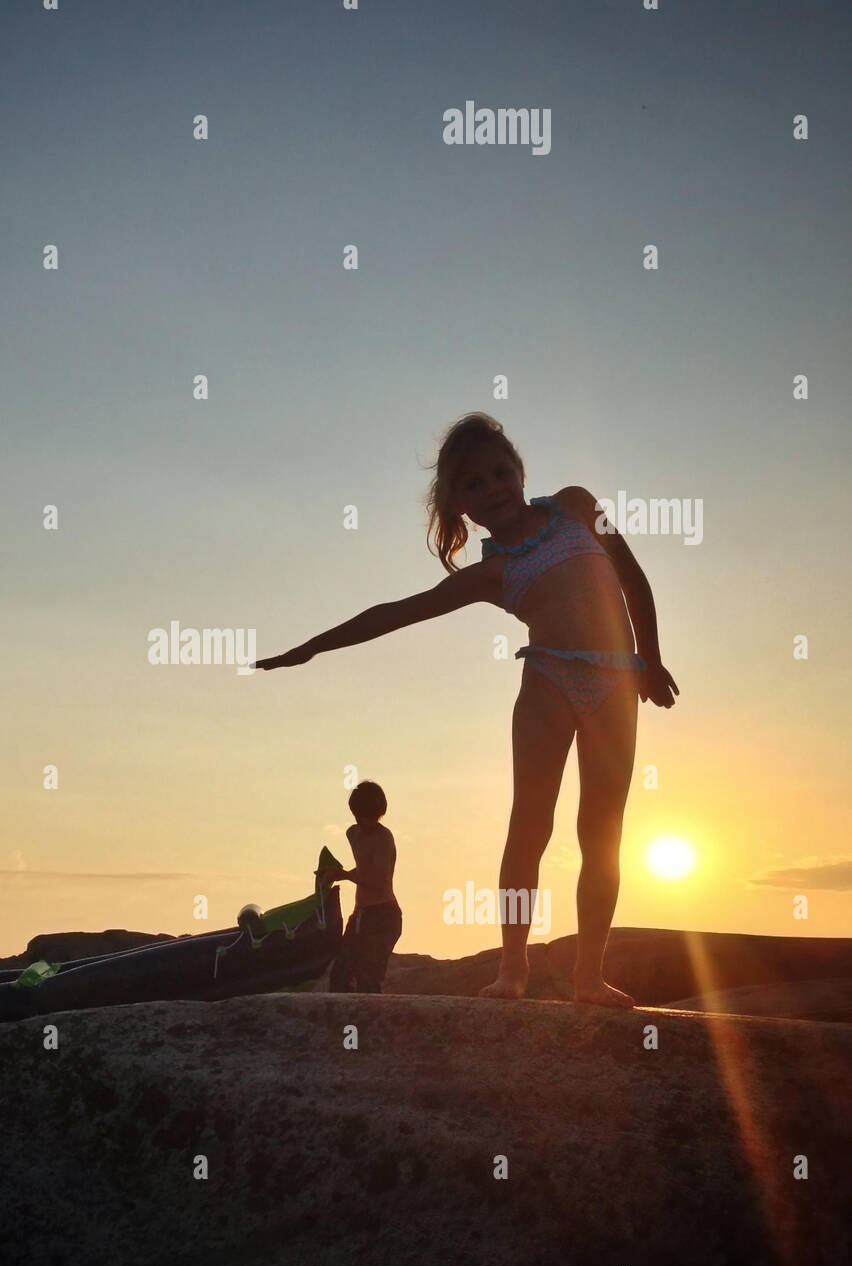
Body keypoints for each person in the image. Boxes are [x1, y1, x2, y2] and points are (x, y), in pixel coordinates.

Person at [255, 412, 678, 1008]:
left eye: (501, 472)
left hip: (616, 683)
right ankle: (513, 970)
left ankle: (590, 978)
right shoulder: (488, 574)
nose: (495, 488)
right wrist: (311, 648)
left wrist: (650, 660)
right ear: (459, 505)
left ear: (520, 470)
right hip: (548, 682)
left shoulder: (579, 505)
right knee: (528, 830)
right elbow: (396, 612)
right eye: (474, 484)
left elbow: (631, 575)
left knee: (601, 835)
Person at [326, 781, 402, 993]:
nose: (367, 822)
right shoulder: (353, 834)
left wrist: (343, 875)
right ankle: (345, 1025)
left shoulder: (384, 838)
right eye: (362, 816)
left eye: (373, 817)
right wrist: (333, 872)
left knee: (368, 978)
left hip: (384, 916)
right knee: (340, 975)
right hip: (361, 915)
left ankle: (370, 1025)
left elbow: (380, 880)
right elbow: (364, 868)